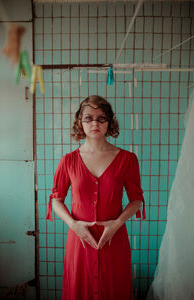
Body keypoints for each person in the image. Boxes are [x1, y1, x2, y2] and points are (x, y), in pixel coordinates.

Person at [46, 95, 146, 300]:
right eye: (89, 118)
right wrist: (73, 225)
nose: (95, 123)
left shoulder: (127, 159)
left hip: (114, 239)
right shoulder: (68, 161)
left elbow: (136, 199)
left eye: (101, 118)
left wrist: (117, 223)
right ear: (79, 122)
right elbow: (56, 199)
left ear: (109, 122)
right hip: (79, 241)